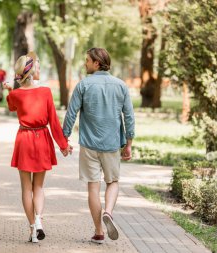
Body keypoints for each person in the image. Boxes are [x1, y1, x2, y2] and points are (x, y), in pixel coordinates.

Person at [62, 47, 135, 244]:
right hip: (111, 145)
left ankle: (99, 231)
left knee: (93, 189)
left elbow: (71, 113)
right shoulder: (120, 86)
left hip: (89, 146)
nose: (85, 63)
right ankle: (109, 212)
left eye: (87, 60)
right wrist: (129, 143)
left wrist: (64, 139)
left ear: (97, 63)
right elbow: (129, 116)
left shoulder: (83, 85)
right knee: (113, 182)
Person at [3, 51, 73, 243]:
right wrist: (63, 145)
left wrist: (9, 90)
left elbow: (11, 106)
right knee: (39, 187)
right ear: (32, 71)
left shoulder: (16, 94)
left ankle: (33, 229)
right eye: (38, 67)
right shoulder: (45, 92)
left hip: (24, 139)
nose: (40, 69)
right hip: (42, 138)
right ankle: (40, 220)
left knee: (26, 188)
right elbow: (54, 122)